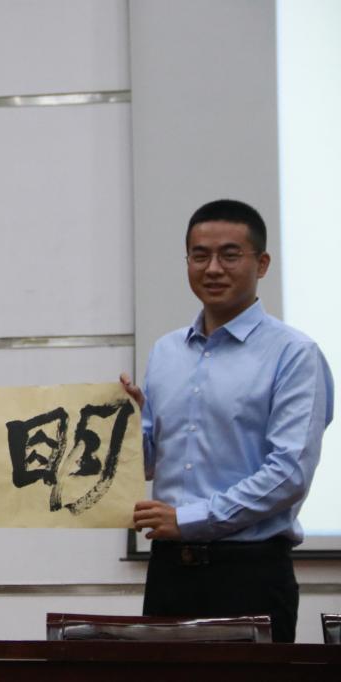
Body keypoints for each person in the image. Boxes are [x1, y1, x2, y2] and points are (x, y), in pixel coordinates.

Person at [120, 198, 333, 642]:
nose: (213, 268)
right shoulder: (166, 352)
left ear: (262, 263)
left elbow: (289, 473)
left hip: (249, 573)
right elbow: (149, 463)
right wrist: (123, 429)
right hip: (168, 572)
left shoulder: (294, 354)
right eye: (199, 255)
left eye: (230, 255)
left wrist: (190, 519)